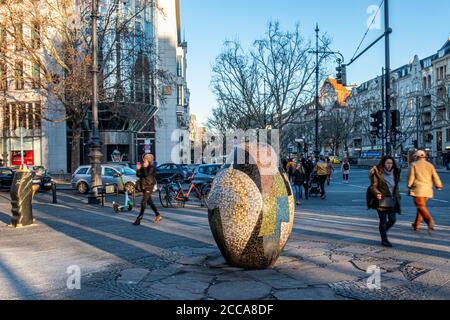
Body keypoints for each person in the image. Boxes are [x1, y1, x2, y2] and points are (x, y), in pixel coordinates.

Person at [408, 150, 443, 235]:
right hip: (427, 190)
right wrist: (438, 185)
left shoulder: (414, 165)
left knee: (420, 206)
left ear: (416, 156)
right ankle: (416, 225)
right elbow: (435, 176)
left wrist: (409, 185)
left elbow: (411, 177)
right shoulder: (430, 165)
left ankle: (429, 220)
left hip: (418, 189)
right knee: (421, 206)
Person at [369, 156, 402, 247]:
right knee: (383, 221)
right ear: (383, 163)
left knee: (392, 220)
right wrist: (377, 193)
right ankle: (384, 239)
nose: (389, 165)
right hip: (381, 199)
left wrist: (397, 195)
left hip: (392, 200)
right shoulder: (378, 173)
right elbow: (373, 186)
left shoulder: (395, 173)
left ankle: (383, 231)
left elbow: (396, 186)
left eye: (391, 163)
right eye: (387, 163)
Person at [133, 154, 162, 226]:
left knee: (143, 202)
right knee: (150, 202)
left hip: (149, 186)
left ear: (148, 160)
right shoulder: (144, 166)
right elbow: (138, 175)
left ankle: (139, 219)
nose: (143, 161)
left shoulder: (152, 167)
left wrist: (144, 167)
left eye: (145, 159)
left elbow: (147, 175)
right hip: (143, 186)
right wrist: (138, 169)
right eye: (143, 159)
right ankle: (158, 215)